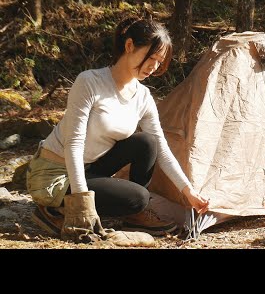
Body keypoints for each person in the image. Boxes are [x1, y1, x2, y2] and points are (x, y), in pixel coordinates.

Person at [26, 17, 209, 243]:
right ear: (129, 45)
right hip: (55, 174)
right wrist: (83, 203)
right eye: (151, 57)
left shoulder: (142, 96)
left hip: (90, 169)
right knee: (139, 197)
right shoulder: (90, 82)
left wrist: (187, 191)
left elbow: (161, 148)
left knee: (146, 142)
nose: (154, 66)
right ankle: (54, 211)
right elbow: (74, 144)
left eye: (159, 61)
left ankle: (135, 214)